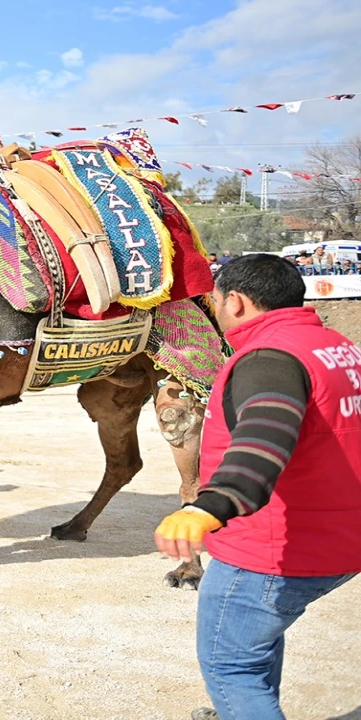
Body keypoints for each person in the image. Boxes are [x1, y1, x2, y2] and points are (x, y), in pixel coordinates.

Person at [152, 254, 361, 720]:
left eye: (217, 303)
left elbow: (264, 440)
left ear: (238, 302)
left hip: (273, 550)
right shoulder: (332, 344)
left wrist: (209, 506)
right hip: (338, 536)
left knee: (231, 668)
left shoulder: (269, 360)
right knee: (256, 645)